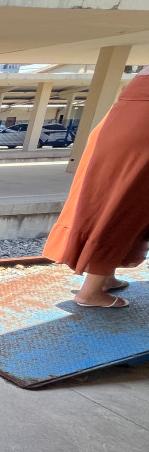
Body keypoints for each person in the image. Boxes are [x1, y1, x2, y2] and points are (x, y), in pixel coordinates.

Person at [43, 65, 149, 307]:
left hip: (120, 120)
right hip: (143, 131)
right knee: (127, 206)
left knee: (108, 199)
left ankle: (104, 276)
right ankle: (90, 293)